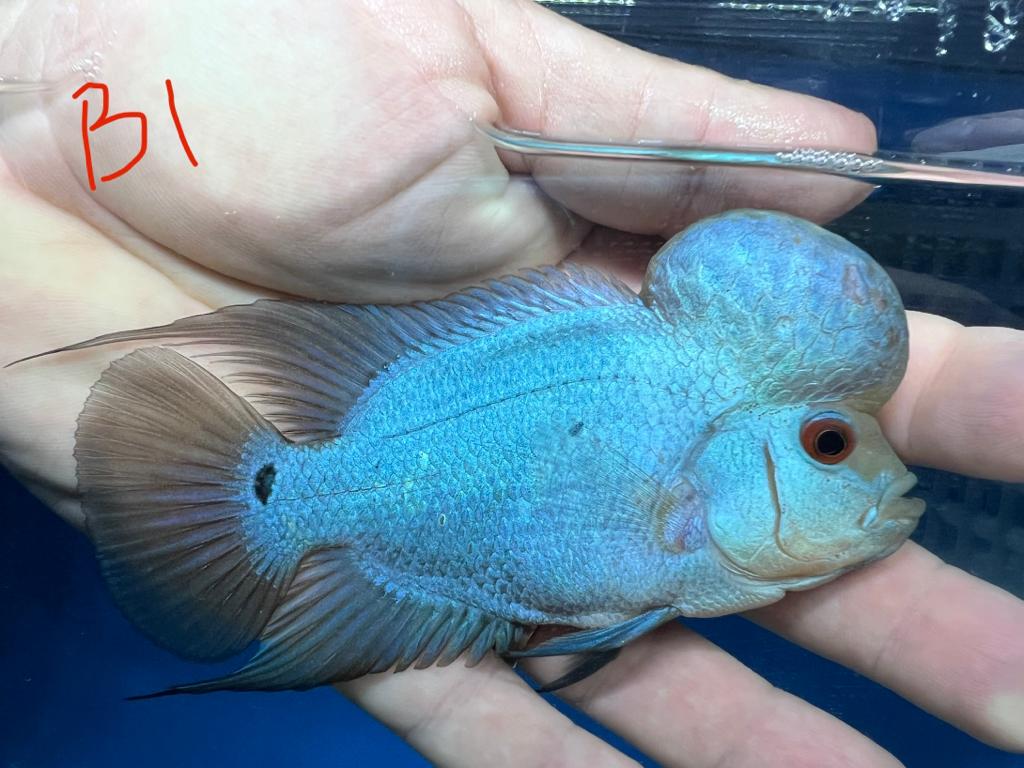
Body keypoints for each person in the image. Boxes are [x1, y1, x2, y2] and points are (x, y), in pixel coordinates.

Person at [0, 1, 1021, 765]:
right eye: (827, 444)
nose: (852, 462)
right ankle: (287, 501)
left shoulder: (699, 438)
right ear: (746, 445)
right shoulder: (687, 407)